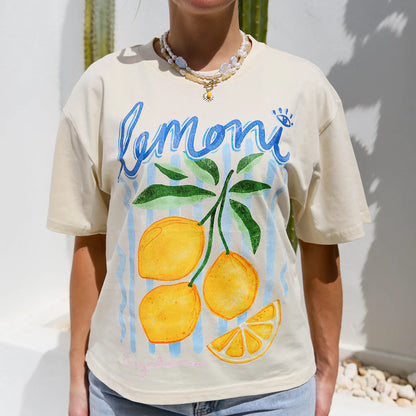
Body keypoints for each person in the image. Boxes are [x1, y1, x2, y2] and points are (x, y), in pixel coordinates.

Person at [47, 1, 371, 415]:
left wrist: (326, 371)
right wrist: (77, 380)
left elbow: (322, 240)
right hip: (130, 394)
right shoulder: (104, 87)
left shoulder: (304, 88)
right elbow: (90, 239)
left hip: (270, 395)